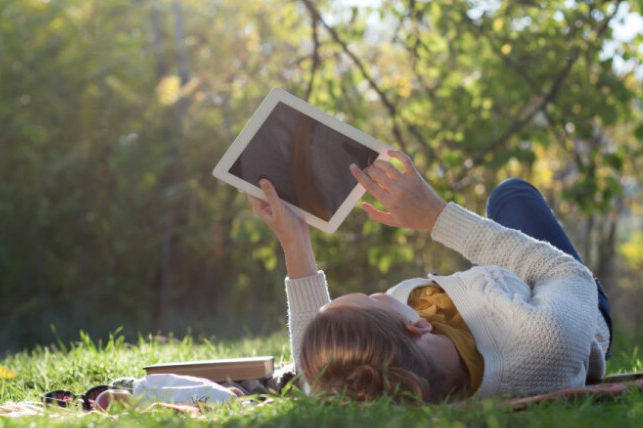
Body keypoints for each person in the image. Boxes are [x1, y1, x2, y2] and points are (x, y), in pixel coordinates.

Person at [248, 150, 612, 402]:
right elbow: (566, 272)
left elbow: (314, 367)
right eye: (373, 298)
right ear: (417, 325)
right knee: (511, 194)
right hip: (572, 305)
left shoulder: (385, 374)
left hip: (510, 296)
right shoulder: (545, 338)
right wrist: (436, 216)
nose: (377, 293)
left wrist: (293, 239)